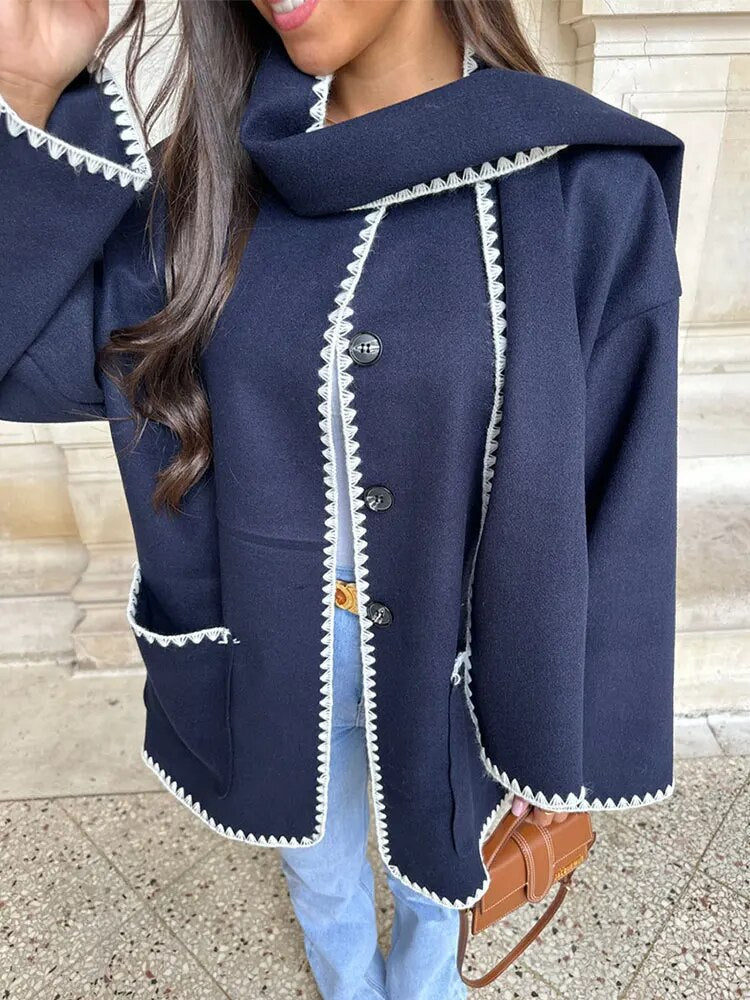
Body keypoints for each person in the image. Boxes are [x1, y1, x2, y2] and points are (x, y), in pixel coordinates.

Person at [0, 0, 683, 997]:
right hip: (269, 650)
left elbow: (621, 482)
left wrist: (568, 740)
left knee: (442, 869)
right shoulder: (209, 186)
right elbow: (24, 360)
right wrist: (25, 88)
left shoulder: (582, 186)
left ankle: (425, 979)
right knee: (317, 868)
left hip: (462, 658)